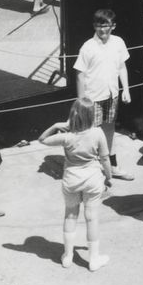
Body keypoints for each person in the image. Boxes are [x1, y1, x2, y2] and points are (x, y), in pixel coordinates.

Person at [37, 98, 114, 271]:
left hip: (71, 179)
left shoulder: (66, 136)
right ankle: (94, 259)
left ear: (73, 115)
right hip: (93, 179)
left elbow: (42, 139)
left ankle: (68, 256)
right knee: (91, 217)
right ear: (91, 115)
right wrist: (108, 177)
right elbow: (105, 158)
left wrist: (57, 125)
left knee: (70, 215)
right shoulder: (98, 133)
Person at [75, 9, 134, 178]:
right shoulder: (88, 47)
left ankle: (112, 166)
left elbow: (122, 67)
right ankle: (91, 172)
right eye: (98, 26)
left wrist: (126, 89)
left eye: (106, 25)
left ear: (113, 26)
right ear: (94, 26)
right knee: (90, 134)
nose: (102, 30)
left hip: (111, 95)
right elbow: (79, 74)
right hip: (92, 98)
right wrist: (82, 101)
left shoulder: (118, 43)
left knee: (109, 129)